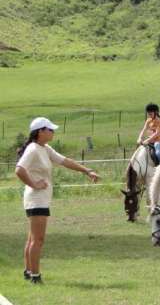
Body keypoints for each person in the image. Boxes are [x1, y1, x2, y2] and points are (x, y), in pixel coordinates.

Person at [15, 117, 100, 284]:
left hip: (39, 199)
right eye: (50, 130)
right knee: (38, 240)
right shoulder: (33, 149)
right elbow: (19, 170)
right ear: (40, 131)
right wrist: (34, 184)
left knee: (32, 238)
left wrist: (87, 171)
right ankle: (35, 276)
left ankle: (28, 271)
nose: (53, 132)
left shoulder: (44, 148)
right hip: (36, 200)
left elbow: (65, 161)